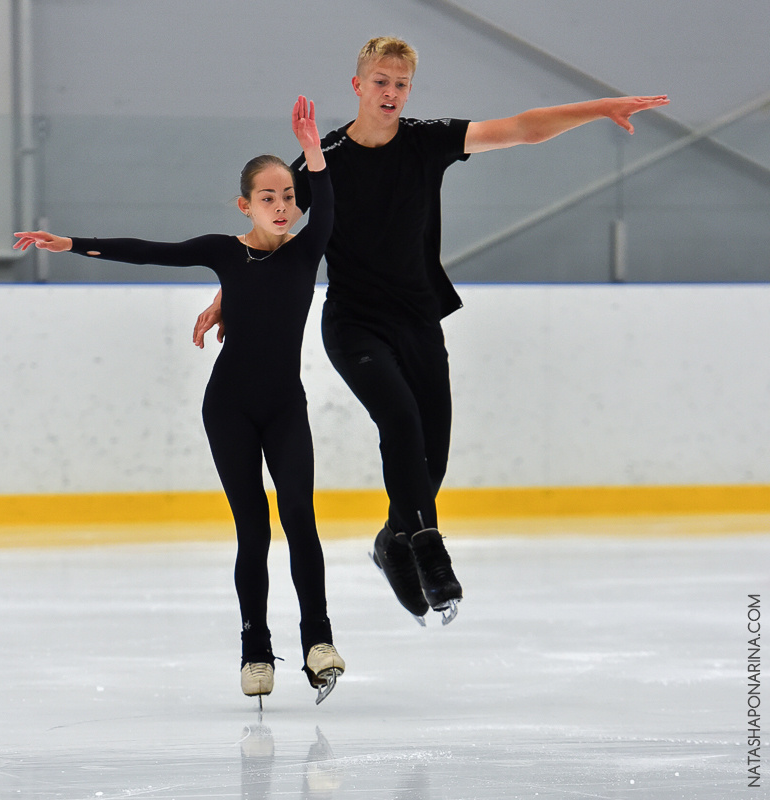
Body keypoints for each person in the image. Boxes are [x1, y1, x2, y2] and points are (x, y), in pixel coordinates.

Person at [193, 37, 670, 626]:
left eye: (401, 84)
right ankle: (426, 545)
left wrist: (599, 109)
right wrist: (226, 294)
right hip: (354, 324)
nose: (391, 93)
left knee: (431, 461)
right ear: (358, 86)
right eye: (381, 82)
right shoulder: (325, 159)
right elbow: (274, 233)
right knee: (399, 420)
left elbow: (522, 128)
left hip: (419, 320)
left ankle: (391, 541)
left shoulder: (427, 139)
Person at [13, 96, 345, 705]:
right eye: (267, 198)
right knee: (253, 528)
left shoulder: (306, 249)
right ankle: (254, 650)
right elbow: (151, 250)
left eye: (288, 198)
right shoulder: (223, 251)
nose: (280, 206)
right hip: (229, 408)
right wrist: (70, 244)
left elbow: (327, 207)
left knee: (300, 515)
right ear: (245, 205)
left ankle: (318, 640)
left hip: (284, 406)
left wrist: (315, 157)